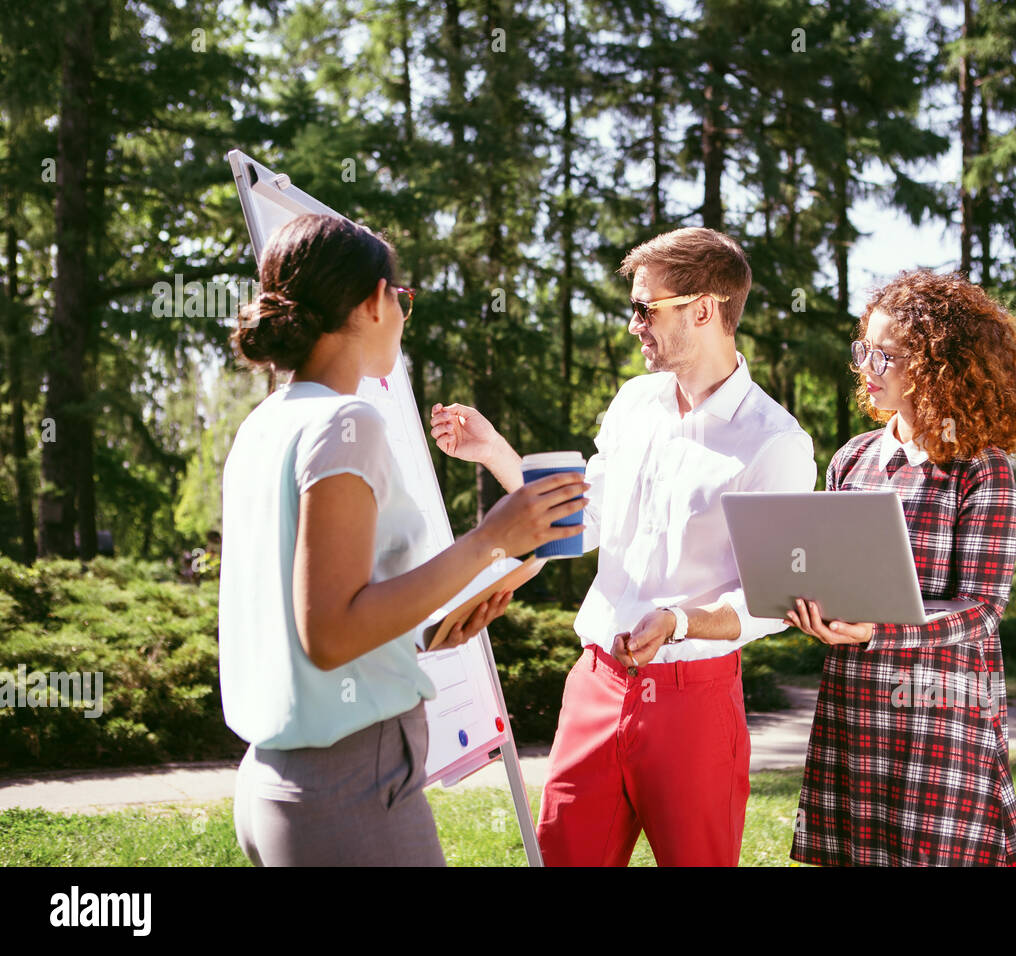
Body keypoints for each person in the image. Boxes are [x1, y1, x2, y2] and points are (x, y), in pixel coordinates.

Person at [430, 227, 817, 866]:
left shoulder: (775, 442)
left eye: (645, 308)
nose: (632, 323)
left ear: (704, 308)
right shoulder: (635, 401)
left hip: (695, 702)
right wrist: (496, 452)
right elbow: (586, 520)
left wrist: (680, 621)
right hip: (596, 684)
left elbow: (770, 601)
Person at [219, 213, 588, 866]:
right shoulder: (347, 422)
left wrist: (421, 627)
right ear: (371, 303)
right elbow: (329, 633)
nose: (403, 314)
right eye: (402, 297)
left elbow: (310, 609)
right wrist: (489, 540)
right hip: (351, 788)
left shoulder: (265, 424)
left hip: (276, 782)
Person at [784, 268, 1016, 866]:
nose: (867, 369)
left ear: (940, 366)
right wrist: (808, 603)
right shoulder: (852, 457)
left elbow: (983, 609)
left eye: (888, 356)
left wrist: (879, 629)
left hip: (942, 710)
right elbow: (829, 570)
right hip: (855, 703)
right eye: (864, 350)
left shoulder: (983, 467)